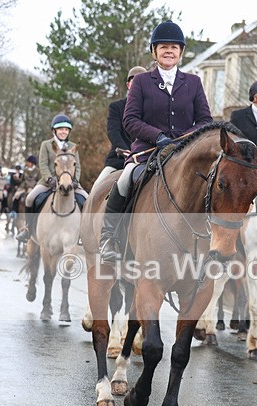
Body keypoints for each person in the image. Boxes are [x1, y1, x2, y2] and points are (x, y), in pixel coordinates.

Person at [98, 20, 212, 263]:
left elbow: (205, 120)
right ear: (154, 51)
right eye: (163, 47)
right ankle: (110, 237)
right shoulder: (141, 82)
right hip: (148, 151)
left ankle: (215, 243)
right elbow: (129, 120)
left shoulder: (193, 83)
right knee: (126, 179)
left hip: (186, 153)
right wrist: (157, 136)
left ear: (180, 51)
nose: (168, 51)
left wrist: (185, 139)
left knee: (214, 184)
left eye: (173, 47)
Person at [15, 115, 88, 242]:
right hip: (48, 182)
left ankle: (84, 232)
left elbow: (78, 166)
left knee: (87, 200)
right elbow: (42, 164)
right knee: (29, 198)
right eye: (60, 129)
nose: (63, 132)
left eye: (66, 129)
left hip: (70, 182)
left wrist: (75, 180)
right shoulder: (46, 145)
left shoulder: (73, 146)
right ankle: (28, 229)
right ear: (54, 130)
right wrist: (49, 178)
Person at [93, 66, 147, 190]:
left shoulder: (153, 109)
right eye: (135, 83)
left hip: (147, 158)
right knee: (97, 187)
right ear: (128, 85)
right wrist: (126, 150)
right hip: (120, 158)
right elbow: (113, 132)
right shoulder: (116, 107)